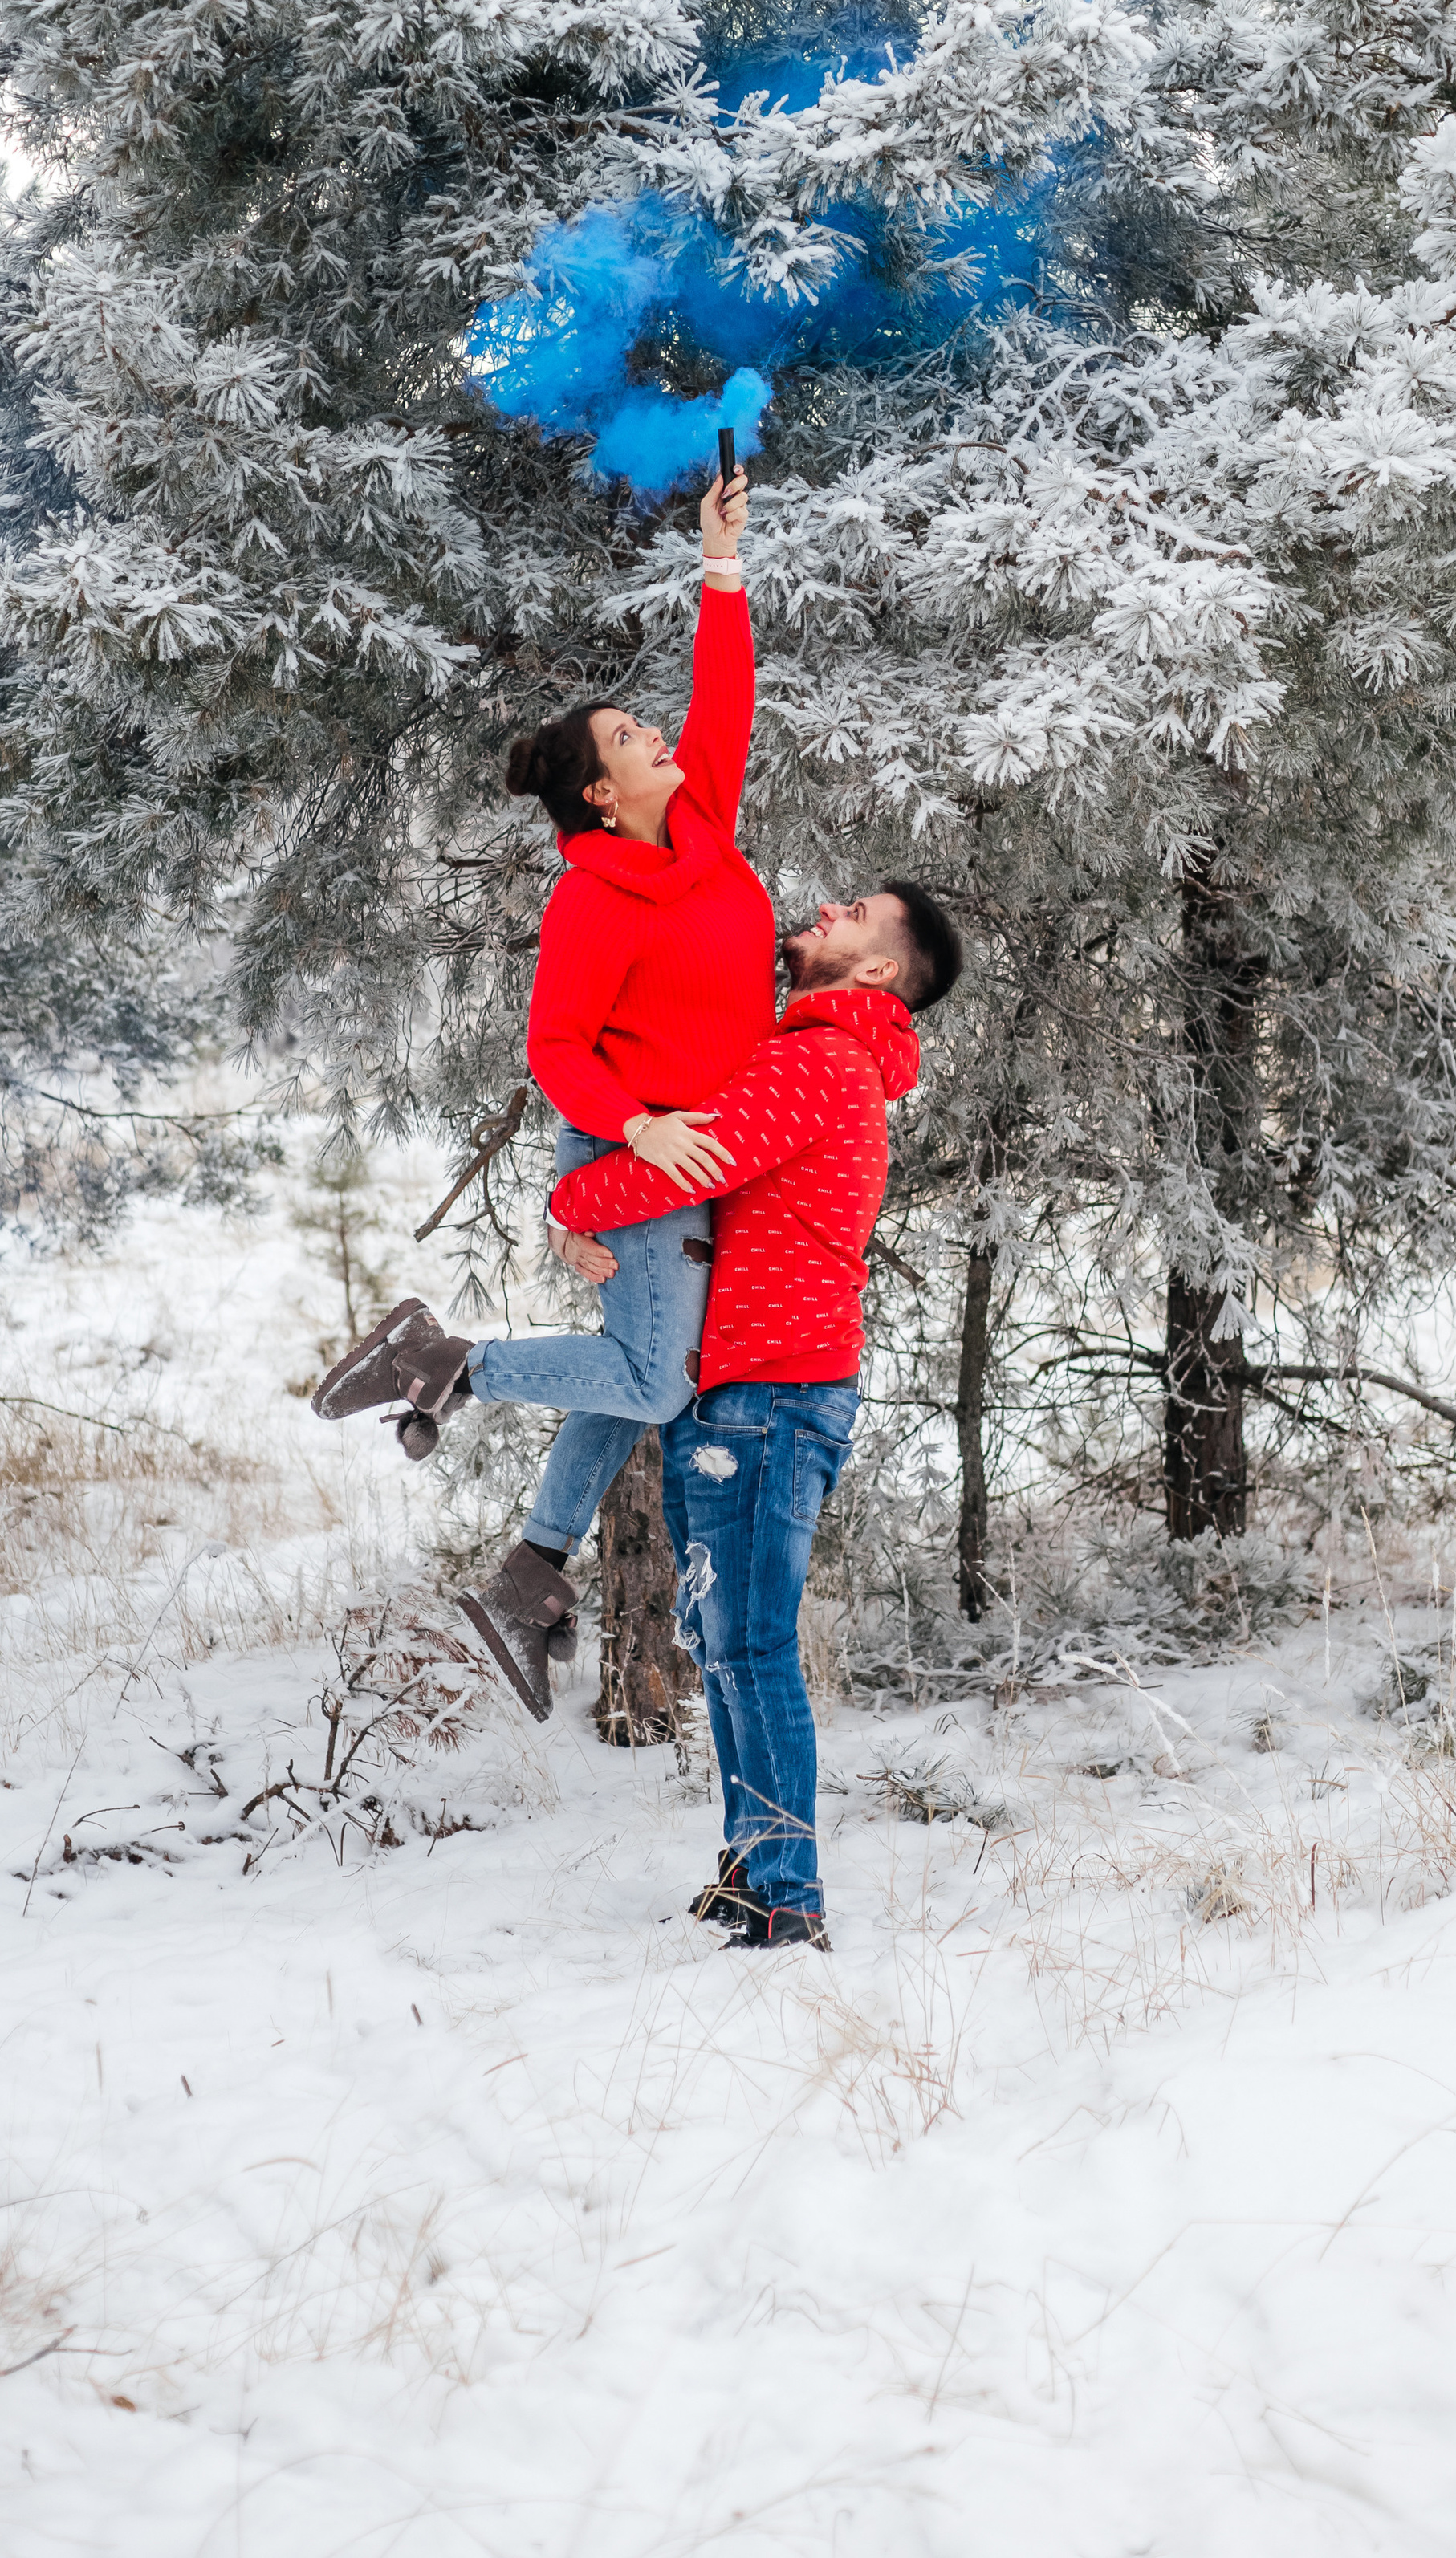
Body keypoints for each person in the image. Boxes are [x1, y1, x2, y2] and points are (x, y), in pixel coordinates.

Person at [310, 463, 774, 1584]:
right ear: (603, 793)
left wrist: (720, 559)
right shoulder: (595, 894)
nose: (656, 733)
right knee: (658, 1380)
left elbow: (727, 699)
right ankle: (442, 1359)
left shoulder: (703, 826)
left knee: (643, 1365)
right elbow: (555, 1049)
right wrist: (639, 1128)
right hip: (636, 1148)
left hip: (707, 1148)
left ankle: (533, 1569)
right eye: (628, 736)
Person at [533, 880, 966, 1950]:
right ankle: (753, 1868)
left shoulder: (819, 1062)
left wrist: (571, 1207)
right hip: (747, 1395)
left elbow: (697, 1159)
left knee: (753, 1648)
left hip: (770, 1398)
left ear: (876, 968)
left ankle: (787, 1900)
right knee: (727, 1645)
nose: (826, 910)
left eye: (855, 912)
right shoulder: (811, 1054)